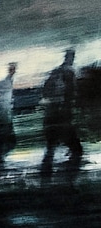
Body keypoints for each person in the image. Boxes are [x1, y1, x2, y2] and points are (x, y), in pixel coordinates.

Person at [39, 47, 85, 176]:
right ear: (71, 58)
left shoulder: (55, 72)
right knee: (76, 150)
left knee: (51, 148)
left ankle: (45, 176)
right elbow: (71, 95)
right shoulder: (69, 73)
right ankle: (68, 178)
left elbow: (45, 92)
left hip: (51, 116)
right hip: (62, 117)